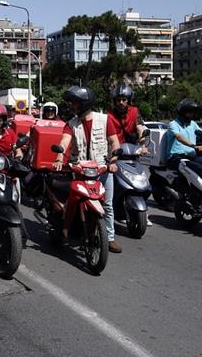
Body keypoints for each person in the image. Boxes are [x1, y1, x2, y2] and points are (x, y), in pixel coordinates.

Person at [53, 86, 123, 253]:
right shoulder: (71, 124)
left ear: (85, 103)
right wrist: (59, 157)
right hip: (80, 170)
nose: (72, 106)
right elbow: (64, 142)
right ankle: (65, 231)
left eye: (75, 103)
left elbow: (114, 142)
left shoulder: (105, 120)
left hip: (102, 168)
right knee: (73, 201)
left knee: (107, 205)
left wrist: (113, 160)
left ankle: (110, 237)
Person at [108, 84, 148, 149]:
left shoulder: (134, 111)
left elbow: (140, 128)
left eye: (124, 100)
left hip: (132, 149)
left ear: (128, 101)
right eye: (118, 100)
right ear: (115, 101)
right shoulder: (109, 115)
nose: (121, 102)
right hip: (115, 150)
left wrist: (143, 147)